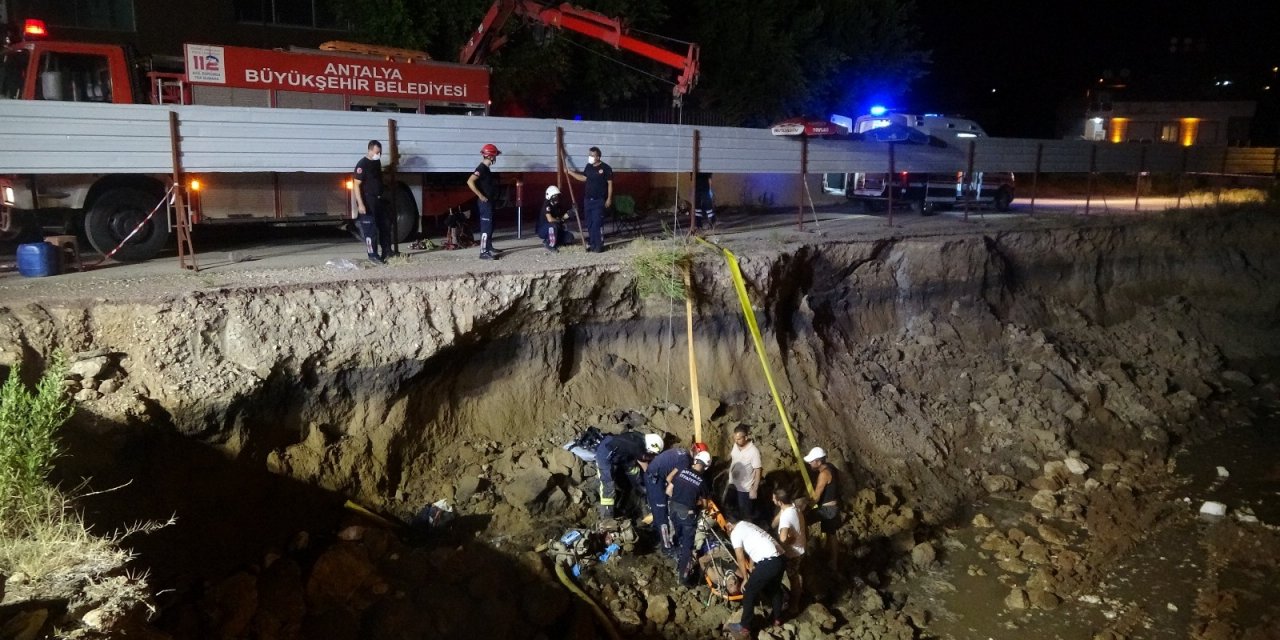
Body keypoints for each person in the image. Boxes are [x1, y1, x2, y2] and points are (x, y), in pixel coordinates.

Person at [723, 513, 787, 636]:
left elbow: (740, 557)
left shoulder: (735, 533)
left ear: (730, 525)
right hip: (781, 558)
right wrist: (751, 565)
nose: (727, 531)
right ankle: (777, 618)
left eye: (727, 528)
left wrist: (745, 578)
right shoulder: (747, 525)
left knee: (748, 591)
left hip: (769, 561)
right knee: (775, 588)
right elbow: (755, 544)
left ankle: (744, 627)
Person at [667, 450, 711, 584]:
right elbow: (705, 505)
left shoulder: (682, 471)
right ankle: (683, 578)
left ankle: (676, 557)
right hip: (687, 514)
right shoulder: (702, 482)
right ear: (705, 466)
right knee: (688, 546)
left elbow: (669, 490)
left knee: (678, 536)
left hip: (673, 509)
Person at [593, 431, 654, 520]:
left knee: (635, 473)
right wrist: (652, 479)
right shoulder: (637, 447)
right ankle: (607, 518)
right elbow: (645, 465)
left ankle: (643, 495)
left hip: (622, 454)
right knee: (608, 486)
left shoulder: (641, 438)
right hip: (605, 454)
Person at [644, 439, 691, 553]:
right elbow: (670, 479)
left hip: (652, 475)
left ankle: (657, 531)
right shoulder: (685, 463)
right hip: (655, 480)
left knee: (658, 510)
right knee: (662, 515)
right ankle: (667, 548)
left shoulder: (683, 453)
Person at [565, 146, 613, 253]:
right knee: (590, 223)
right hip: (588, 200)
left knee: (597, 223)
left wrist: (609, 199)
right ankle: (592, 243)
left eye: (592, 155)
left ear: (598, 157)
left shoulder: (606, 168)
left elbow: (610, 184)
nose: (590, 157)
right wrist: (570, 172)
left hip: (599, 200)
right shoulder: (588, 167)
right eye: (589, 155)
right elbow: (583, 178)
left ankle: (599, 246)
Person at [353, 140, 392, 264]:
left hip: (379, 199)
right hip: (368, 200)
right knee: (370, 229)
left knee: (385, 225)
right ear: (369, 150)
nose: (378, 154)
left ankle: (387, 251)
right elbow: (356, 185)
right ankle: (373, 255)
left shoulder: (376, 162)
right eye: (376, 152)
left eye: (380, 152)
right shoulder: (362, 165)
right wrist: (361, 204)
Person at [805, 446, 841, 571]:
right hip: (834, 507)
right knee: (831, 535)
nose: (809, 463)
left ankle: (806, 552)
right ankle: (832, 561)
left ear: (819, 461)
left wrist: (804, 508)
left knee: (803, 520)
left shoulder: (824, 474)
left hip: (827, 510)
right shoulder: (831, 467)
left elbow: (816, 496)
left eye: (811, 461)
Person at [771, 487, 806, 613]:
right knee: (796, 576)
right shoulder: (793, 507)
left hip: (792, 553)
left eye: (774, 498)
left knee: (794, 579)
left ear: (779, 501)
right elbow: (775, 523)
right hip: (800, 549)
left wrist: (788, 541)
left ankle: (794, 606)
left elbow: (783, 538)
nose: (772, 499)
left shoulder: (786, 517)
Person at [467, 143, 502, 260]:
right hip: (485, 203)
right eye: (495, 155)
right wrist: (480, 195)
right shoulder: (481, 168)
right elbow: (470, 181)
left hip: (490, 202)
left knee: (491, 225)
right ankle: (483, 252)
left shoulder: (486, 169)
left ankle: (489, 246)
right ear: (491, 156)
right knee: (486, 227)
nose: (496, 158)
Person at [728, 425, 762, 522]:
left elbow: (758, 470)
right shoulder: (736, 446)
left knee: (745, 515)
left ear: (746, 437)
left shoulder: (754, 452)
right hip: (732, 485)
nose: (736, 441)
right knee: (732, 511)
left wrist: (754, 489)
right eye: (735, 438)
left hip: (744, 489)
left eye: (739, 439)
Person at [538, 185, 571, 252]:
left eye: (557, 196)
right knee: (553, 226)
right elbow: (550, 219)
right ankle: (550, 244)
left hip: (555, 228)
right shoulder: (547, 205)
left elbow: (562, 217)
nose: (557, 198)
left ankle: (550, 240)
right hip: (544, 229)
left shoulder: (557, 206)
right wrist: (560, 220)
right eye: (555, 196)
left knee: (569, 238)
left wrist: (570, 213)